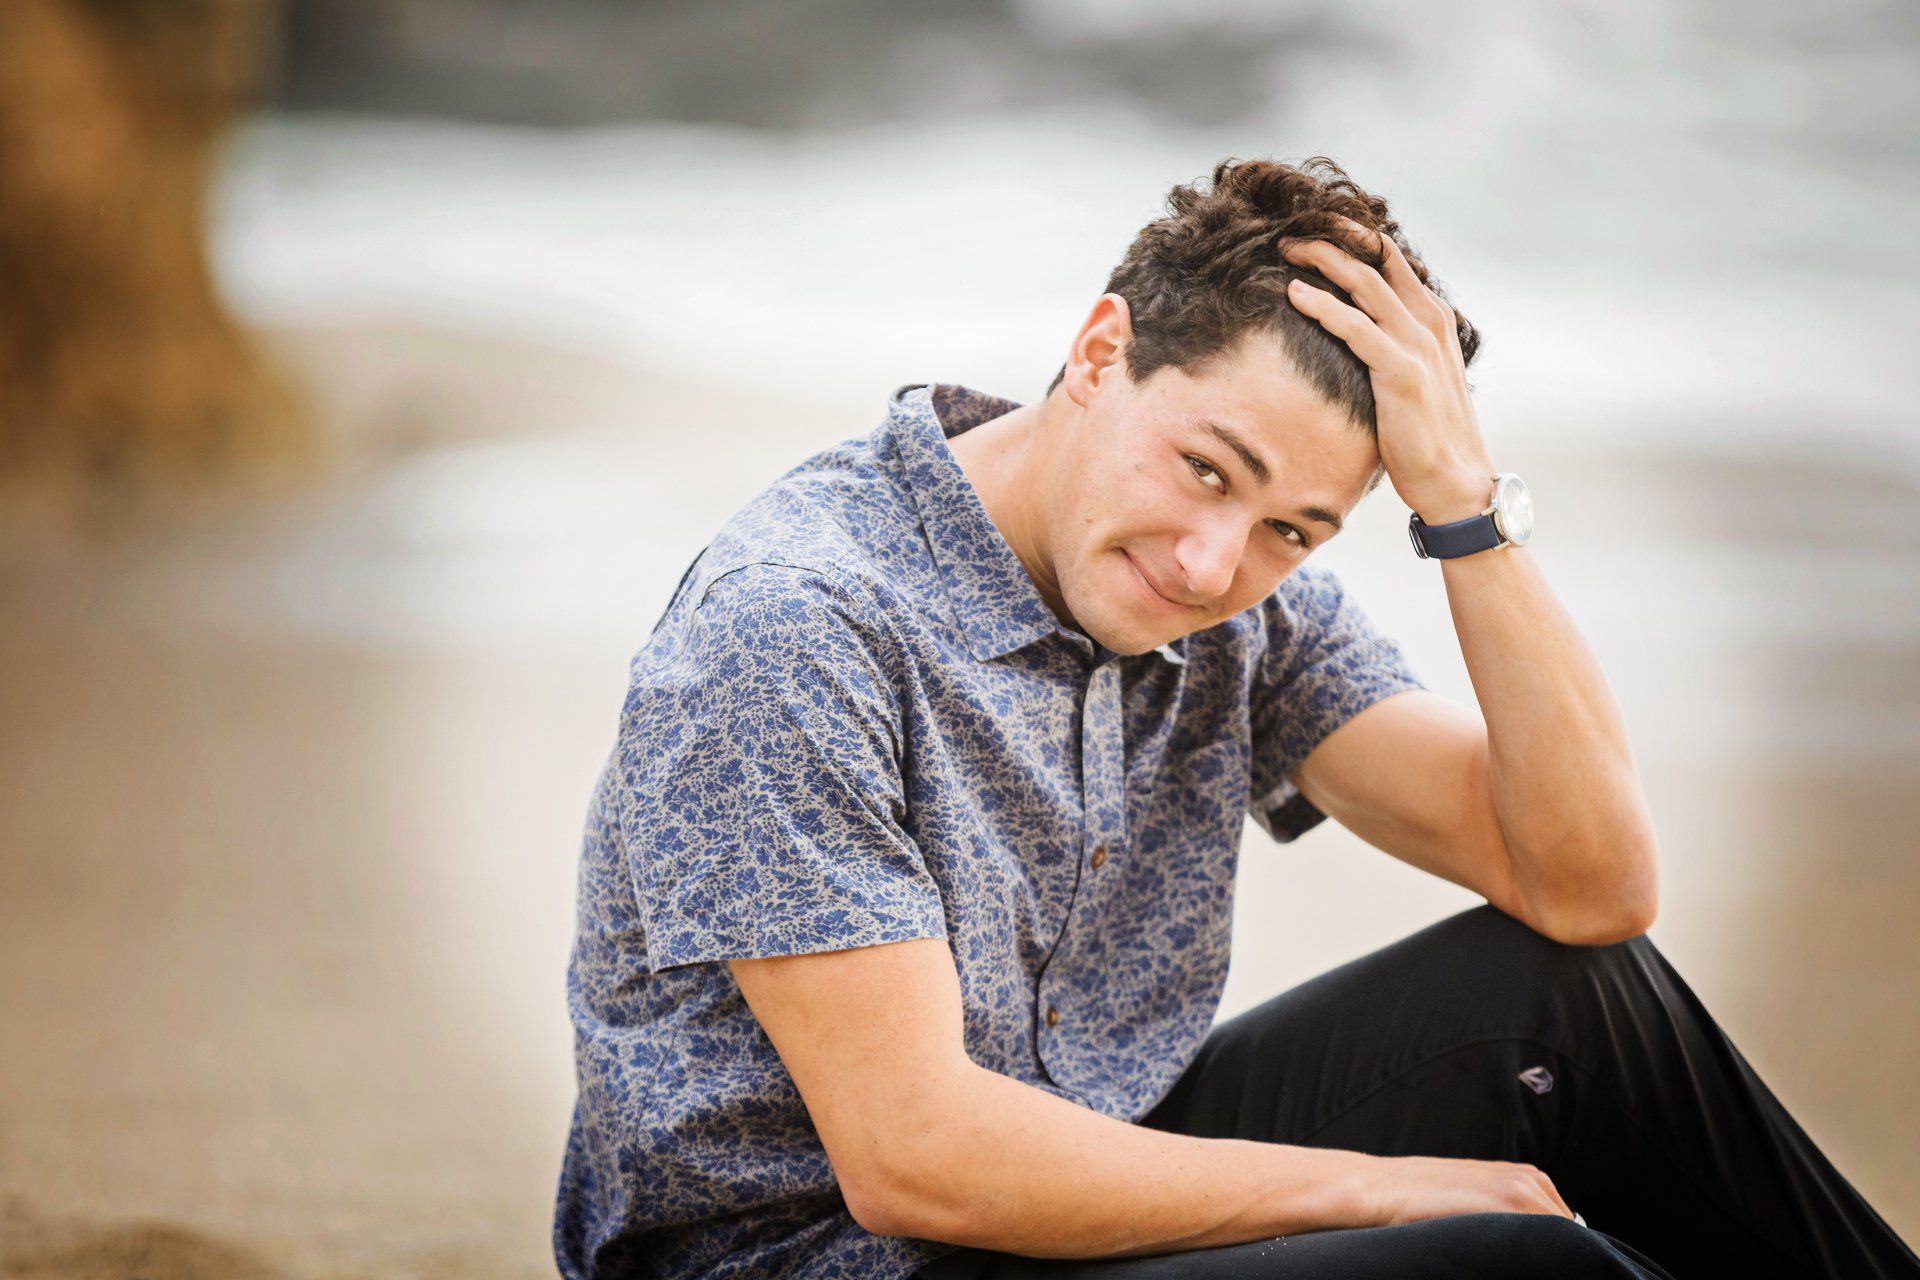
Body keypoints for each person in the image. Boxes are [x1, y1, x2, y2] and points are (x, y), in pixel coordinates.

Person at [551, 157, 1919, 1279]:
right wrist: (1379, 1196)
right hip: (835, 1257)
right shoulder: (799, 624)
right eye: (1206, 468)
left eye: (1291, 529)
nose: (1214, 562)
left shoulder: (1229, 605)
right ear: (1101, 351)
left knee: (1567, 1005)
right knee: (1510, 1270)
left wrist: (1467, 508)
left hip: (1076, 1183)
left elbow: (1589, 884)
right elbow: (915, 1159)